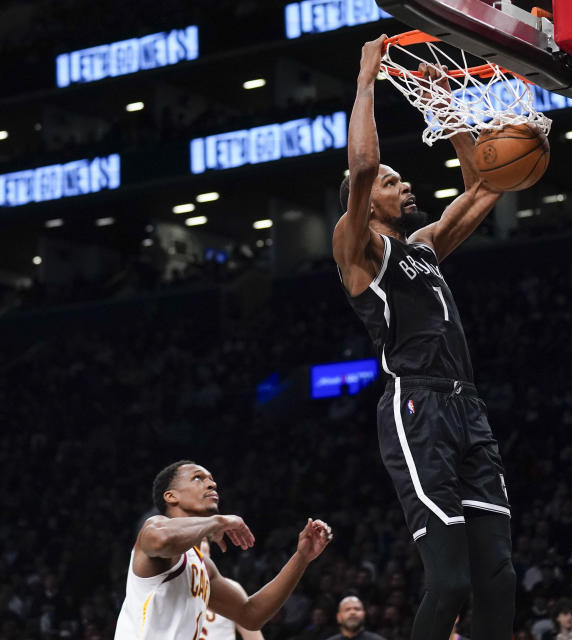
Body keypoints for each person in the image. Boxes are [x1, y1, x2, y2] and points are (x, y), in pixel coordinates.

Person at [333, 36, 515, 640]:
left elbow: (485, 186)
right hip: (418, 406)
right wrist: (366, 81)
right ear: (366, 204)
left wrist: (447, 107)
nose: (404, 186)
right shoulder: (358, 249)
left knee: (497, 577)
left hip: (468, 406)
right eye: (393, 183)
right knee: (452, 584)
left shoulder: (424, 246)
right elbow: (360, 167)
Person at [114, 460, 332, 639]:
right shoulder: (153, 527)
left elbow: (251, 615)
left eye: (212, 480)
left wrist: (301, 558)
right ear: (171, 496)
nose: (211, 484)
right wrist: (218, 521)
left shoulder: (204, 566)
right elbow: (162, 540)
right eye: (198, 478)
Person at [198, 539, 264, 640]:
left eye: (202, 540)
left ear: (209, 550)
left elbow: (254, 638)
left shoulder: (232, 587)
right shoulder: (166, 588)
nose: (196, 545)